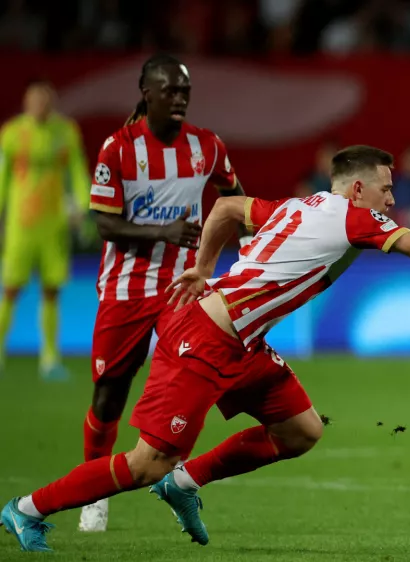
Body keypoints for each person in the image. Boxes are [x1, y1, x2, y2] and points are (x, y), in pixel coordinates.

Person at [0, 145, 410, 552]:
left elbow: (228, 206)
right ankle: (27, 509)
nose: (392, 200)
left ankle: (186, 482)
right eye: (386, 190)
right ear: (359, 188)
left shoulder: (300, 206)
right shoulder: (350, 216)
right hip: (203, 340)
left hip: (242, 342)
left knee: (301, 430)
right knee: (145, 463)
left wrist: (206, 266)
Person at [78, 53, 252, 533]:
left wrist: (247, 248)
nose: (179, 99)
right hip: (126, 290)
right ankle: (94, 492)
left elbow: (233, 195)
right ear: (146, 93)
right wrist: (164, 233)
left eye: (185, 92)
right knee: (109, 395)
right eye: (170, 91)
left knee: (195, 380)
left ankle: (178, 478)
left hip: (184, 287)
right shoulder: (118, 148)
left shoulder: (207, 146)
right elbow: (103, 222)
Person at [0, 80, 90, 380]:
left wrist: (82, 203)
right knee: (11, 290)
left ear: (51, 103)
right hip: (20, 226)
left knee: (52, 291)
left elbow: (77, 169)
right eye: (33, 100)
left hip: (54, 226)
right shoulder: (11, 134)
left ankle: (49, 359)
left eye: (44, 100)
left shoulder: (65, 132)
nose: (39, 105)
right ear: (26, 103)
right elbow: (2, 178)